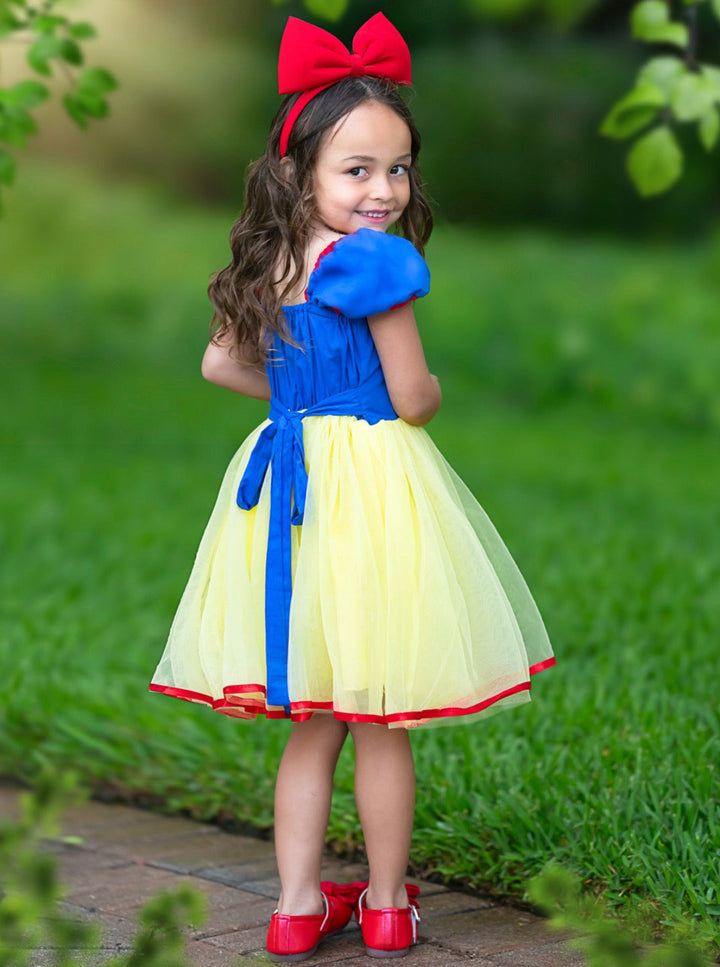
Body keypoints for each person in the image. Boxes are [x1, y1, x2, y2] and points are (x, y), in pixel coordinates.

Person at [149, 12, 554, 963]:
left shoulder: (269, 259)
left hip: (286, 483)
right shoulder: (375, 263)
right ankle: (385, 906)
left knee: (313, 722)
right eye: (358, 169)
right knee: (378, 721)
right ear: (301, 173)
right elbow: (412, 398)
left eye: (398, 168)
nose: (383, 190)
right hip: (369, 488)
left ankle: (294, 909)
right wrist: (419, 390)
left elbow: (219, 366)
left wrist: (299, 398)